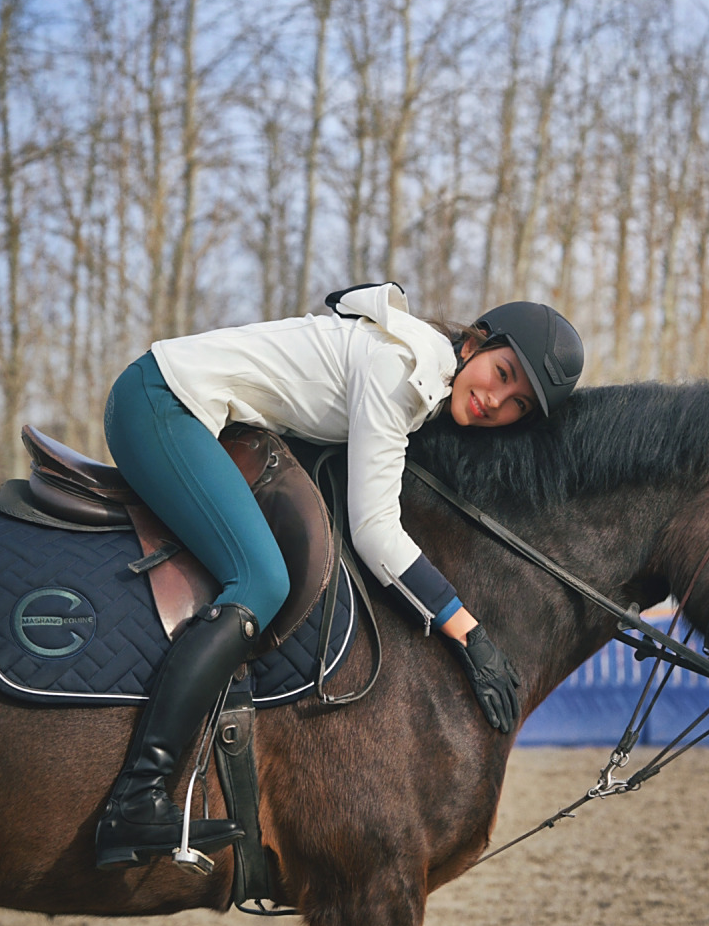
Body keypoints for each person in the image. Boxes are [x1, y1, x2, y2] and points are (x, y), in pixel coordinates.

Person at [95, 282, 583, 870]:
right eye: (502, 373)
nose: (495, 401)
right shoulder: (403, 368)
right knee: (261, 582)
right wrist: (470, 635)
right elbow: (376, 532)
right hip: (163, 401)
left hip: (184, 407)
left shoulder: (423, 374)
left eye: (518, 405)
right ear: (475, 342)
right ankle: (138, 796)